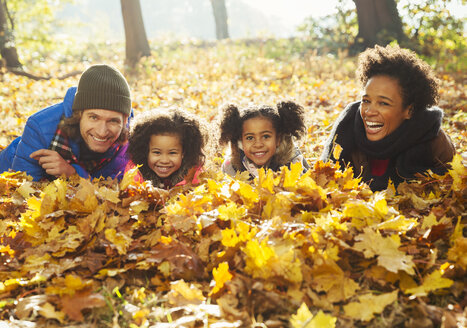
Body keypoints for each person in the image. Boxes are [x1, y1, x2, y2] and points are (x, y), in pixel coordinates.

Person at [321, 45, 455, 191]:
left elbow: (454, 186)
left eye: (383, 103)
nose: (369, 111)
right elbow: (323, 182)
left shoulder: (432, 139)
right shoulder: (346, 130)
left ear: (409, 111)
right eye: (366, 101)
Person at [0, 64, 132, 181]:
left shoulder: (132, 138)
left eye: (113, 121)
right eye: (94, 117)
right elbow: (24, 191)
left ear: (125, 120)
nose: (102, 131)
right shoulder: (40, 126)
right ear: (79, 114)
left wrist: (73, 173)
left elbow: (111, 192)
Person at [219, 101, 309, 179]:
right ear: (241, 141)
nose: (258, 144)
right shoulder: (231, 167)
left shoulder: (293, 163)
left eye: (266, 136)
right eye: (250, 138)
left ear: (278, 139)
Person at [126, 107, 208, 189]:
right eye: (157, 152)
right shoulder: (135, 171)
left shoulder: (195, 175)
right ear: (146, 151)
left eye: (172, 153)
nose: (164, 160)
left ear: (184, 153)